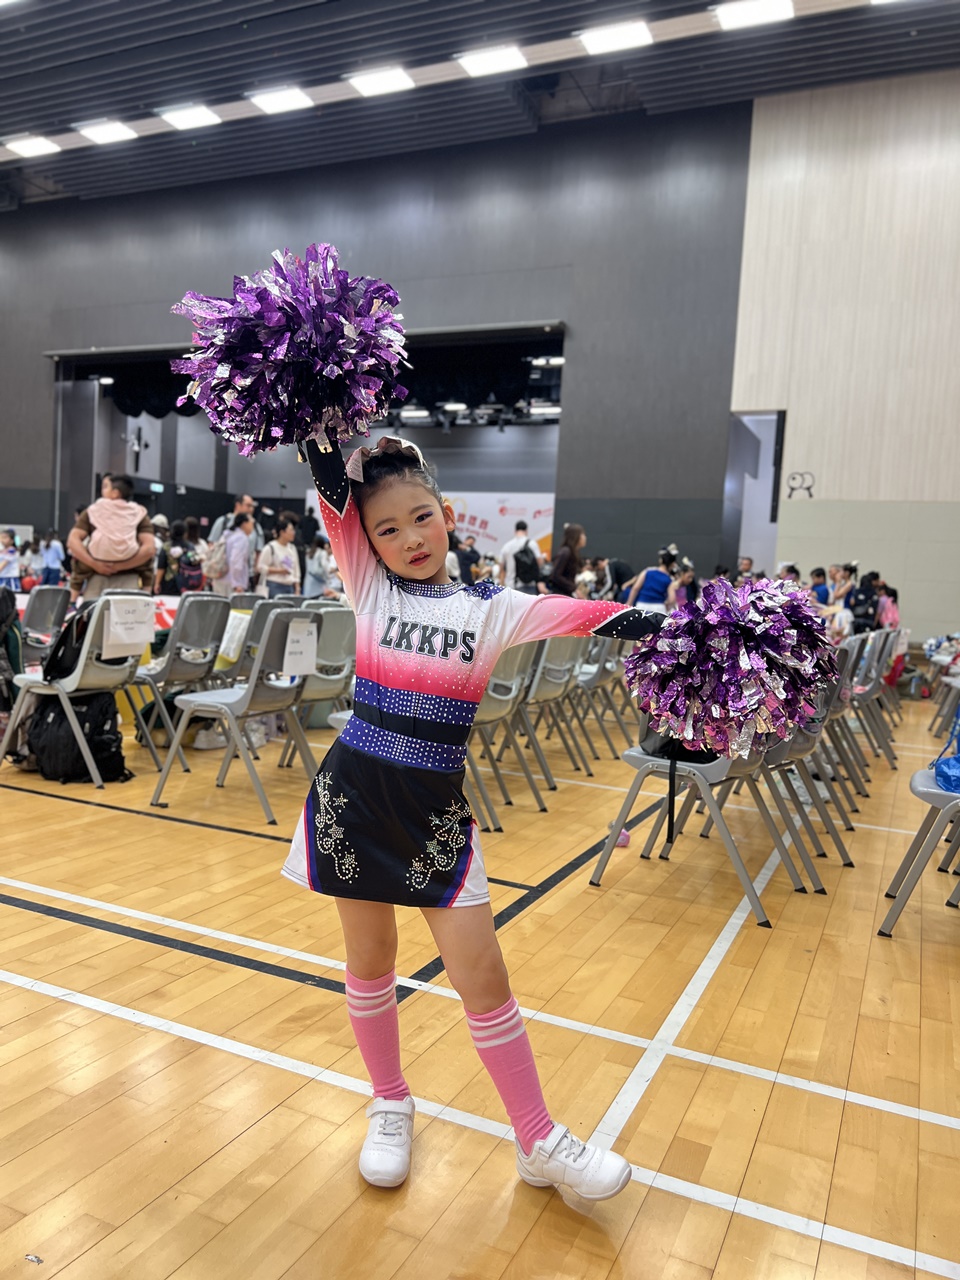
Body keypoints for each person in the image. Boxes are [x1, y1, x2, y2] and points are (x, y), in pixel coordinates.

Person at [283, 433, 664, 1201]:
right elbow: (329, 487)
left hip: (434, 815)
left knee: (482, 977)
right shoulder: (367, 585)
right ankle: (390, 1102)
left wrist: (696, 629)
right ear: (366, 542)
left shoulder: (494, 608)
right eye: (386, 529)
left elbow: (593, 616)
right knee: (370, 961)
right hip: (353, 802)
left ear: (448, 515)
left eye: (421, 517)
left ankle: (537, 1139)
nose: (408, 538)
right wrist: (318, 419)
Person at [67, 474, 155, 600]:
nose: (102, 491)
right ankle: (147, 593)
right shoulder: (138, 513)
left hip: (97, 573)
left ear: (115, 493)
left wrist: (95, 564)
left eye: (105, 487)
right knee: (147, 565)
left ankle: (72, 599)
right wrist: (120, 565)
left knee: (79, 566)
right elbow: (149, 549)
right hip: (129, 575)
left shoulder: (93, 511)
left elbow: (73, 540)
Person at [210, 512, 255, 596]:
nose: (253, 527)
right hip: (231, 582)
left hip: (219, 577)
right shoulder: (241, 538)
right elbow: (236, 561)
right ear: (244, 524)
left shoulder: (227, 534)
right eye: (252, 523)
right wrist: (237, 583)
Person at [624, 545, 678, 613]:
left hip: (642, 605)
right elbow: (672, 599)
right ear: (672, 564)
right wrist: (667, 607)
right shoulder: (669, 579)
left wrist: (629, 603)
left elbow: (635, 588)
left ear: (661, 560)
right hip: (659, 608)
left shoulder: (647, 571)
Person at [257, 515, 301, 597]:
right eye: (290, 530)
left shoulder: (292, 548)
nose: (293, 533)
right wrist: (279, 571)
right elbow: (260, 567)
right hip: (274, 584)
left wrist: (297, 588)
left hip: (289, 585)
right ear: (282, 532)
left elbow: (296, 570)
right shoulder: (270, 547)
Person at [499, 520, 544, 596]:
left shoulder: (507, 546)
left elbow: (501, 567)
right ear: (526, 531)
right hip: (528, 584)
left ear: (515, 531)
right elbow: (540, 562)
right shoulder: (532, 544)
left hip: (510, 585)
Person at [154, 519, 198, 596]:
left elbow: (161, 567)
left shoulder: (166, 547)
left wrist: (157, 583)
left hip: (168, 583)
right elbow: (195, 563)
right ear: (185, 533)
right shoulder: (190, 547)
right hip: (187, 583)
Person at [547, 523, 586, 597]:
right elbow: (556, 575)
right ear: (576, 536)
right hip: (560, 595)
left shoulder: (573, 552)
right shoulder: (566, 552)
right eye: (583, 534)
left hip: (566, 594)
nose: (585, 537)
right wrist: (574, 588)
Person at [304, 534, 339, 599]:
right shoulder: (322, 553)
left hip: (309, 584)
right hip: (320, 586)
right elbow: (325, 567)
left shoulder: (308, 552)